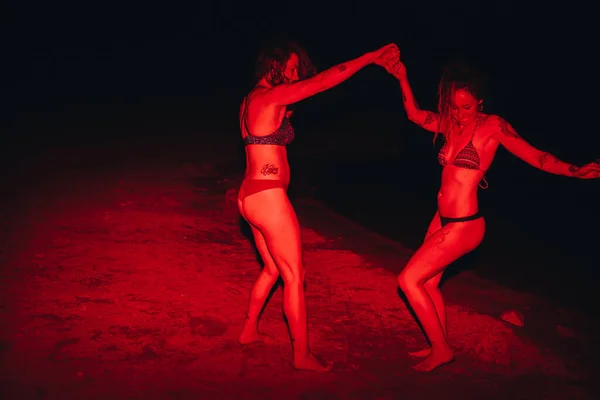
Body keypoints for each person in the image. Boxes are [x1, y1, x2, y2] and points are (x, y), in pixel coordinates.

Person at [376, 52, 600, 372]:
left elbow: (537, 157)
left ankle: (441, 350)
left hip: (465, 224)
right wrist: (401, 78)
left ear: (480, 101)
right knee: (428, 283)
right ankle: (438, 343)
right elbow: (413, 115)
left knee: (409, 280)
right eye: (454, 106)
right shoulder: (450, 125)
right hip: (441, 219)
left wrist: (575, 171)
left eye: (466, 106)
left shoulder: (492, 126)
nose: (459, 112)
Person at [237, 40, 398, 372]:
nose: (296, 74)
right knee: (295, 277)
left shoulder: (251, 99)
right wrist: (368, 57)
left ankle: (248, 330)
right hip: (268, 197)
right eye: (292, 68)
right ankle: (302, 355)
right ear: (275, 66)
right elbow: (323, 81)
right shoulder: (272, 96)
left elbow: (268, 130)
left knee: (272, 269)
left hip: (249, 194)